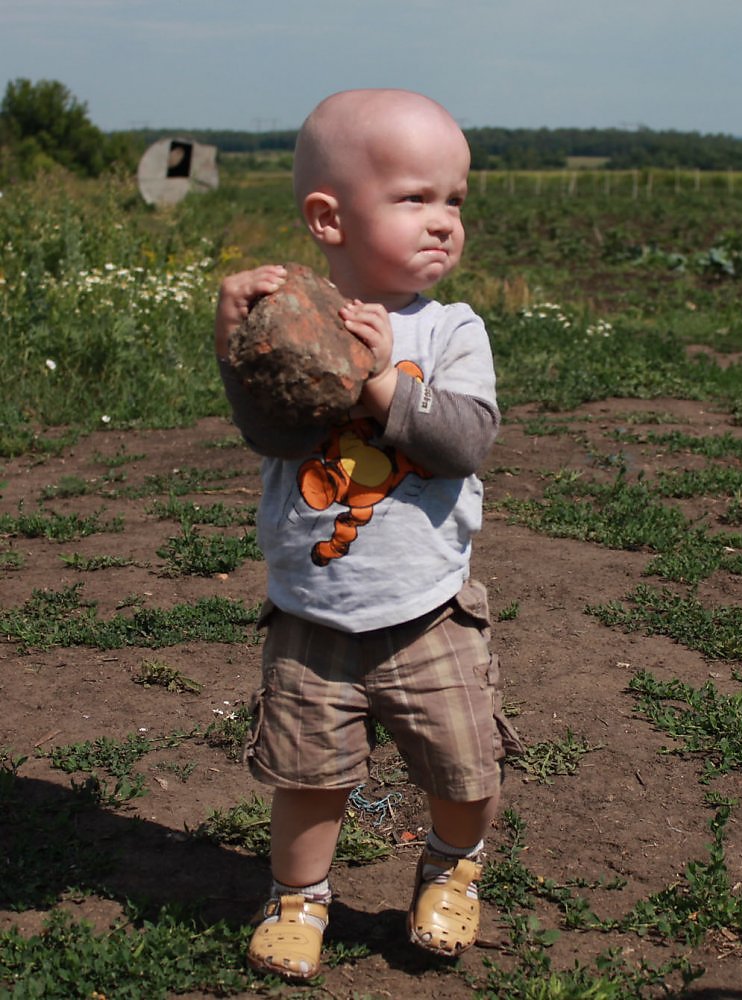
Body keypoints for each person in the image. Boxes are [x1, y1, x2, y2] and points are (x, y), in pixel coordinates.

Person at [214, 88, 521, 982]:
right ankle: (298, 896)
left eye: (454, 201)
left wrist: (384, 380)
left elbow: (464, 444)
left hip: (429, 611)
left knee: (464, 768)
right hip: (312, 610)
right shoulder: (296, 315)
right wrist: (238, 343)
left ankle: (450, 867)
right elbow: (270, 436)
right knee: (309, 775)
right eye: (415, 199)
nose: (443, 223)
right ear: (328, 217)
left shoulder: (452, 329)